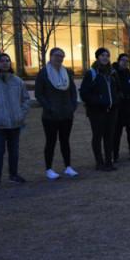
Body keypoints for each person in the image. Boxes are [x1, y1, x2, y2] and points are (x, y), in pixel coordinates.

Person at [0, 53, 30, 189]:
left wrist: (21, 113)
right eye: (2, 61)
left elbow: (26, 99)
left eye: (7, 60)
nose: (5, 63)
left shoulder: (17, 81)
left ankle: (13, 175)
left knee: (14, 151)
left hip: (15, 123)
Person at [34, 47, 78, 180]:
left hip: (66, 114)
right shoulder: (43, 73)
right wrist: (49, 107)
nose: (60, 58)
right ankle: (49, 169)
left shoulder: (66, 73)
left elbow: (73, 91)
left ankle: (68, 166)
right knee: (51, 142)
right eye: (57, 56)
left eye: (62, 56)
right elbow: (39, 94)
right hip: (50, 116)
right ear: (51, 56)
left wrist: (72, 106)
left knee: (65, 141)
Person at [80, 47, 120, 171]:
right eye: (102, 55)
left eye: (107, 55)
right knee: (97, 136)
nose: (105, 58)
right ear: (97, 57)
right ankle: (99, 162)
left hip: (112, 110)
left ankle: (109, 161)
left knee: (109, 137)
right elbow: (84, 93)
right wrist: (99, 101)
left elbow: (118, 89)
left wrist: (116, 100)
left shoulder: (113, 72)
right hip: (97, 111)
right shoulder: (92, 73)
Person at [112, 53, 130, 161]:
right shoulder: (114, 73)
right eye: (123, 60)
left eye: (127, 61)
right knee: (117, 133)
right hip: (119, 109)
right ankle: (114, 154)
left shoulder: (129, 73)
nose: (125, 62)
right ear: (118, 61)